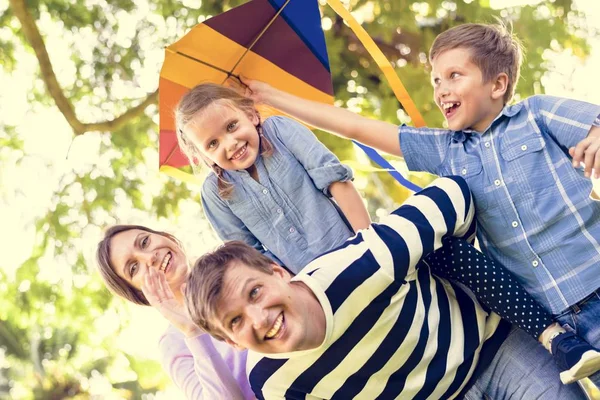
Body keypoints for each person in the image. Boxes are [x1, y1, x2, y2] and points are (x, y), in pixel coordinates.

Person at [237, 22, 600, 385]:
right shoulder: (446, 150)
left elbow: (595, 124)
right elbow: (356, 127)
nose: (441, 91)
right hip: (556, 323)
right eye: (436, 82)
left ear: (498, 84)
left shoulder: (537, 116)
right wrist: (271, 98)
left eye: (453, 76)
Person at [184, 176, 584, 399]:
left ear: (278, 272)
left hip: (491, 350)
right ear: (231, 342)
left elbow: (454, 194)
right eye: (235, 321)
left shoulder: (365, 263)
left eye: (254, 292)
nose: (259, 318)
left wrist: (445, 258)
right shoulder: (273, 382)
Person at [174, 83, 371, 273]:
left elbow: (334, 178)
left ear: (250, 115)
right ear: (203, 157)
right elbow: (249, 258)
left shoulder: (279, 131)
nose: (230, 144)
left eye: (232, 126)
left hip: (355, 250)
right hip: (311, 288)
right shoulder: (214, 194)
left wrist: (370, 241)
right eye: (213, 144)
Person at [96, 225, 252, 399]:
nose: (150, 258)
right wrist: (194, 332)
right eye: (133, 268)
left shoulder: (234, 264)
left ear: (165, 236)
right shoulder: (173, 345)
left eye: (145, 241)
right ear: (139, 293)